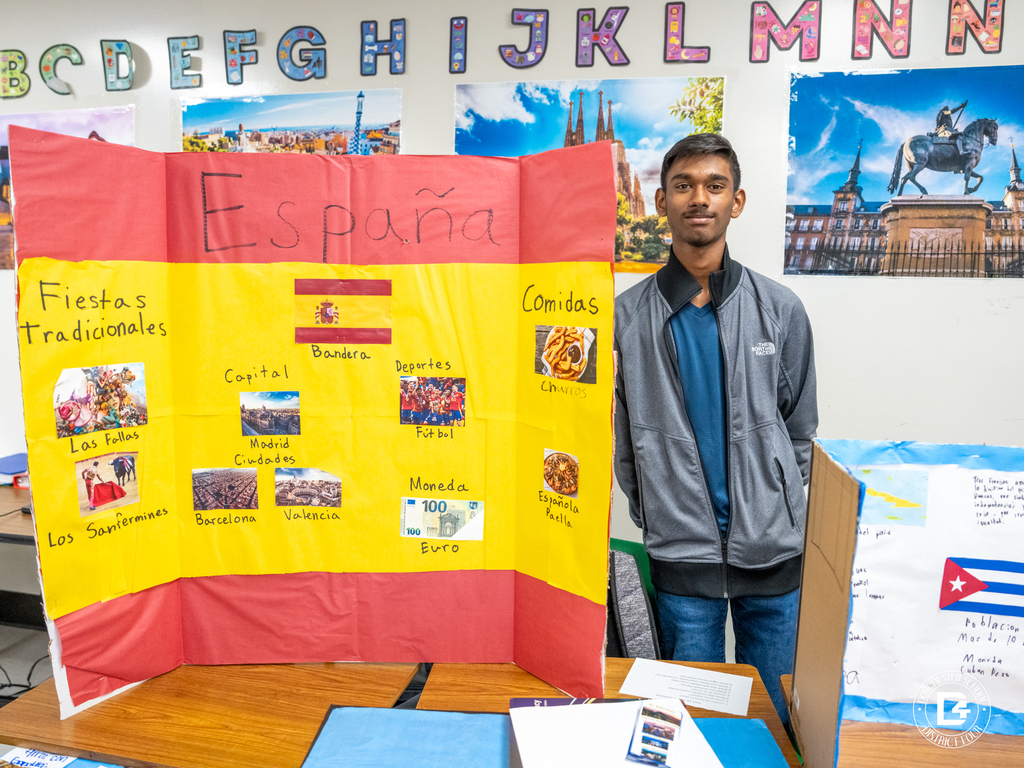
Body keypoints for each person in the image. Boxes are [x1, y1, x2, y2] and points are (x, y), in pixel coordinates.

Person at [613, 133, 817, 724]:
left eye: (714, 185)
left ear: (738, 200)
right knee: (687, 726)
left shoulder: (780, 309)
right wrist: (656, 508)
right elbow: (625, 441)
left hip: (773, 553)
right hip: (681, 556)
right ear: (661, 202)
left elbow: (799, 427)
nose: (698, 198)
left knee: (776, 721)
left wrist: (774, 499)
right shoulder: (628, 318)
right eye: (683, 186)